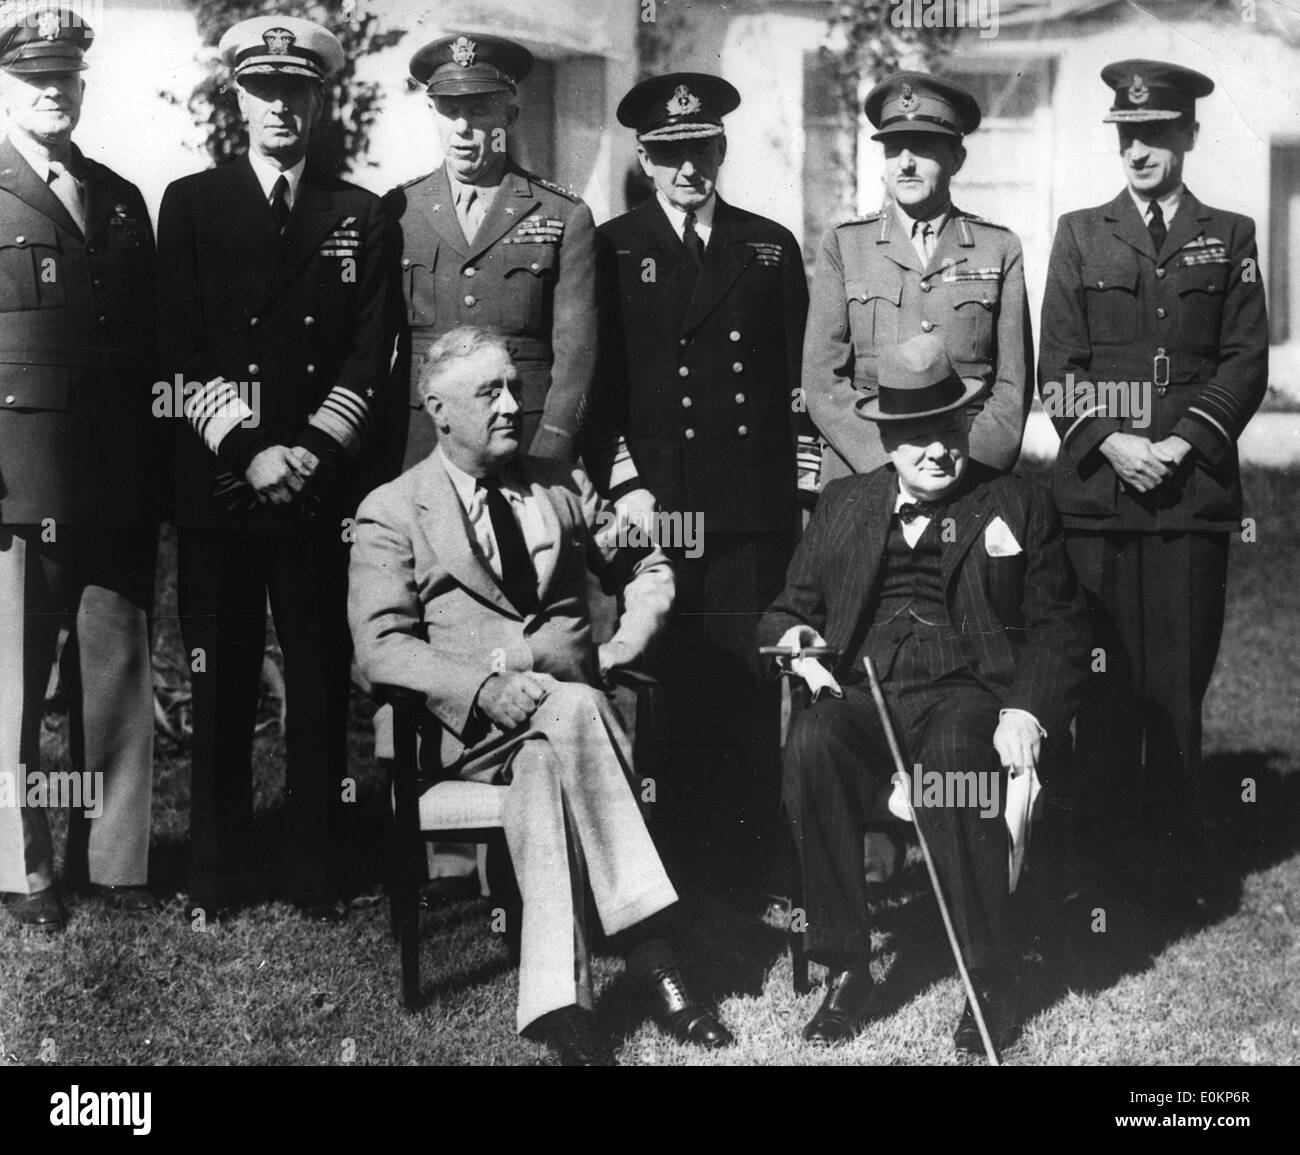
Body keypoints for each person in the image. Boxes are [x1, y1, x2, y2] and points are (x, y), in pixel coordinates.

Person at [348, 326, 734, 1065]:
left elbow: (648, 562)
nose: (512, 405)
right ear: (438, 408)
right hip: (455, 734)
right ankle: (654, 952)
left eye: (516, 387)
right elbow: (379, 650)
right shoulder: (391, 510)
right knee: (582, 705)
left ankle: (563, 1008)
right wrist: (485, 683)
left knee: (549, 763)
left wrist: (622, 645)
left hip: (550, 737)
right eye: (488, 391)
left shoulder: (560, 485)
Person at [758, 334, 1089, 1053]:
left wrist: (1028, 709)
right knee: (812, 740)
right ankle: (847, 965)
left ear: (967, 425)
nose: (936, 451)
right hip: (862, 689)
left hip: (966, 691)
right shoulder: (844, 502)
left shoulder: (1018, 503)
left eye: (948, 431)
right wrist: (798, 649)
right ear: (887, 437)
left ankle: (986, 977)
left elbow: (1059, 627)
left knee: (954, 766)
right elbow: (787, 612)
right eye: (916, 438)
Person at [157, 15, 388, 922]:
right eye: (263, 90)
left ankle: (316, 869)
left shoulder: (355, 214)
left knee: (321, 674)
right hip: (225, 480)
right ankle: (215, 874)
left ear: (318, 100)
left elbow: (371, 355)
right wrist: (251, 450)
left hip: (317, 488)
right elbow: (172, 350)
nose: (280, 106)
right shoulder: (192, 203)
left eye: (297, 90)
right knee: (221, 675)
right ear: (239, 100)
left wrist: (314, 451)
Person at [377, 33, 606, 902]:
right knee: (434, 629)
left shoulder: (559, 214)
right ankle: (437, 844)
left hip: (527, 461)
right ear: (432, 115)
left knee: (536, 625)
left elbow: (576, 356)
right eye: (451, 111)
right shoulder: (395, 213)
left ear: (511, 109)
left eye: (482, 108)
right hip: (425, 463)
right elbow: (387, 352)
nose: (468, 128)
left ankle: (538, 834)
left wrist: (543, 468)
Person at [1037, 60, 1268, 922]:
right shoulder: (1081, 233)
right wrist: (1113, 442)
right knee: (1100, 688)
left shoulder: (1231, 234)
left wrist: (1180, 442)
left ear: (1189, 138)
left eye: (1157, 134)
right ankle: (1096, 873)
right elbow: (1055, 367)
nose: (1139, 148)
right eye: (1127, 134)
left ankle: (1171, 874)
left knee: (1176, 688)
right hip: (1100, 503)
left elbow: (1247, 359)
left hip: (1189, 502)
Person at [586, 72, 817, 893]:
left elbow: (802, 390)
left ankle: (752, 866)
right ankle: (674, 870)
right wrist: (624, 488)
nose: (689, 170)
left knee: (752, 688)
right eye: (670, 154)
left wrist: (801, 493)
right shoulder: (609, 248)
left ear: (721, 151)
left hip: (752, 511)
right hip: (661, 510)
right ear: (645, 160)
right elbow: (595, 393)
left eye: (702, 151)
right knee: (669, 688)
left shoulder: (768, 245)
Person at [0, 6, 160, 932]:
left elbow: (145, 343)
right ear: (7, 89)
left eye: (66, 78)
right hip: (20, 483)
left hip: (118, 480)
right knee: (14, 683)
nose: (53, 92)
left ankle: (113, 863)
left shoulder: (122, 197)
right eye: (34, 80)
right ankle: (22, 871)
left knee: (117, 670)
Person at [804, 72, 1032, 486]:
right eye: (894, 149)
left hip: (965, 475)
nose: (905, 163)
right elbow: (823, 383)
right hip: (866, 474)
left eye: (922, 147)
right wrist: (896, 466)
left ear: (957, 158)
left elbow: (1013, 386)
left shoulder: (998, 248)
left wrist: (960, 469)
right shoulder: (844, 245)